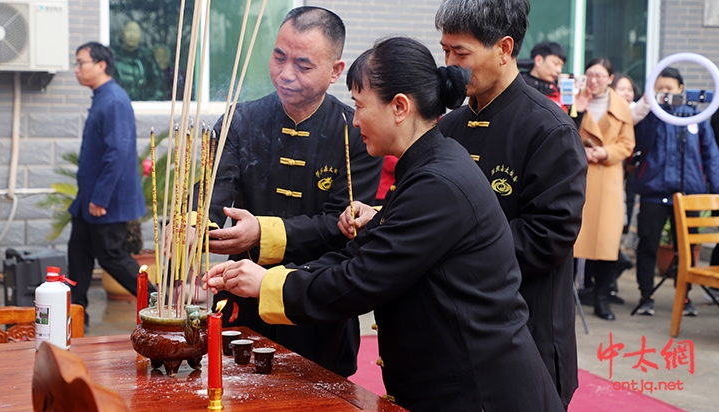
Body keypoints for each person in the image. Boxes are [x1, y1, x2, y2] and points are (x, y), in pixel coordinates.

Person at [204, 37, 565, 412]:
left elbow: (362, 278)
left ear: (399, 107)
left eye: (360, 106)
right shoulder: (424, 168)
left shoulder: (437, 183)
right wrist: (259, 276)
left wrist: (267, 283)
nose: (355, 119)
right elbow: (358, 253)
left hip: (481, 391)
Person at [205, 7, 383, 377]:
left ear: (336, 71)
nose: (285, 75)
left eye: (303, 65)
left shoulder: (355, 132)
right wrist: (197, 226)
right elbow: (211, 193)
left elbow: (343, 223)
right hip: (241, 297)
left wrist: (262, 233)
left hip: (317, 303)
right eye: (278, 57)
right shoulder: (240, 120)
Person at [434, 0, 587, 409]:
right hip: (455, 334)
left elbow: (548, 238)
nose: (449, 65)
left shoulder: (549, 129)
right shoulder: (447, 128)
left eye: (460, 53)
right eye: (444, 50)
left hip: (526, 337)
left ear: (504, 48)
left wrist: (445, 246)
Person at [68, 42, 150, 328]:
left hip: (106, 202)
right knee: (78, 253)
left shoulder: (114, 99)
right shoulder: (102, 96)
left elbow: (117, 153)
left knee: (112, 256)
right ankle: (76, 314)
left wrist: (101, 198)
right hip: (87, 201)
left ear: (101, 65)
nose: (76, 69)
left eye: (81, 63)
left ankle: (157, 305)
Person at [633, 67, 719, 316]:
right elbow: (640, 144)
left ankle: (684, 297)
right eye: (659, 89)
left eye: (669, 89)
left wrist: (715, 192)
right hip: (653, 191)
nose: (665, 93)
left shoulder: (696, 117)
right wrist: (650, 110)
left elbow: (711, 156)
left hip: (688, 193)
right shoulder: (650, 116)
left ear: (681, 89)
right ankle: (645, 295)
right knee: (648, 244)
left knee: (686, 249)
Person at [570, 58, 635, 321]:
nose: (593, 81)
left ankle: (601, 298)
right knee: (573, 238)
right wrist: (578, 113)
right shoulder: (575, 101)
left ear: (610, 78)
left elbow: (627, 143)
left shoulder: (622, 108)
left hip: (607, 178)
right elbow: (560, 131)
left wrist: (605, 151)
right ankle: (567, 295)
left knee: (607, 242)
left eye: (599, 76)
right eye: (589, 75)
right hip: (580, 176)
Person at [113, 21, 168, 101]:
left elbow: (159, 83)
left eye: (135, 31)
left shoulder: (146, 58)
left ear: (140, 35)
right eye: (129, 30)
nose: (132, 35)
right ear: (122, 33)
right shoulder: (113, 57)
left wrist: (150, 102)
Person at [521, 41, 568, 111]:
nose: (559, 70)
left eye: (561, 67)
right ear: (538, 60)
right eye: (556, 64)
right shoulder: (519, 86)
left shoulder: (560, 91)